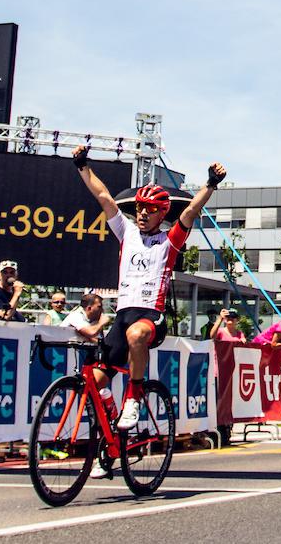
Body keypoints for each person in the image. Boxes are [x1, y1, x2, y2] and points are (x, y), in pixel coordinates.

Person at [72, 144, 225, 434]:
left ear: (161, 213)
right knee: (94, 380)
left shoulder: (170, 240)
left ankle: (134, 395)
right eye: (141, 208)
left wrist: (210, 184)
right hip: (123, 315)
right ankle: (113, 438)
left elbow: (192, 210)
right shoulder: (126, 232)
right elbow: (103, 196)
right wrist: (82, 165)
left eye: (150, 210)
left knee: (136, 334)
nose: (143, 213)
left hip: (150, 317)